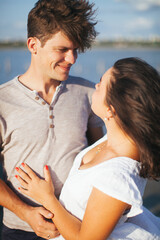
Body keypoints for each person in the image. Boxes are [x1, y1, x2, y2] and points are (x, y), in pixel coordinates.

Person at [16, 57, 160, 240]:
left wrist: (47, 198)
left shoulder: (117, 177)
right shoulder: (118, 136)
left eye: (100, 84)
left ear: (111, 110)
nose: (95, 86)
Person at [0, 0, 104, 239]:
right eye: (62, 49)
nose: (72, 59)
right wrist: (25, 212)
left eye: (76, 49)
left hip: (79, 226)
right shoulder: (2, 101)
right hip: (20, 230)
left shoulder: (89, 92)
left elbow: (99, 155)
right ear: (33, 45)